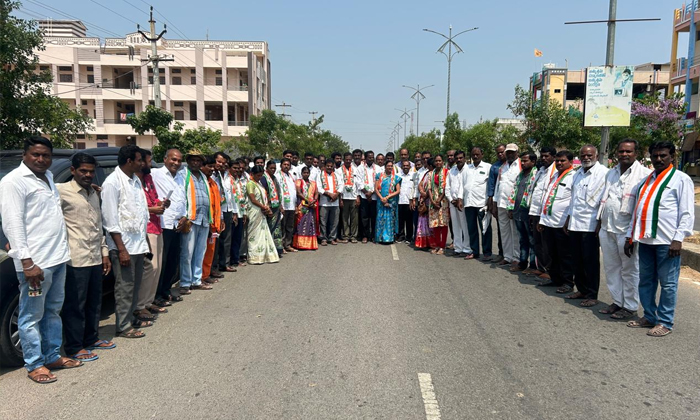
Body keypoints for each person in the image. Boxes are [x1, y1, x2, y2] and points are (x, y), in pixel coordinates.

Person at [0, 137, 79, 383]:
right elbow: (12, 223)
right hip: (35, 264)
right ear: (25, 155)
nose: (41, 159)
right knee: (31, 315)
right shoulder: (13, 182)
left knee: (53, 311)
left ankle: (52, 355)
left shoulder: (48, 178)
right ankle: (34, 363)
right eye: (36, 154)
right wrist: (27, 263)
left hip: (57, 258)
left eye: (46, 155)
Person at [625, 141, 694, 337]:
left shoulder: (681, 179)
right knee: (645, 281)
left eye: (663, 155)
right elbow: (637, 212)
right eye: (655, 156)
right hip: (646, 241)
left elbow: (687, 213)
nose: (658, 159)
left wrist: (678, 239)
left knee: (668, 283)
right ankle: (649, 316)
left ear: (672, 156)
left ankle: (665, 321)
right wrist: (630, 237)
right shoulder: (646, 181)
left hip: (667, 242)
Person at [56, 153, 115, 362]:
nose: (88, 175)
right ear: (73, 171)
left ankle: (91, 338)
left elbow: (98, 227)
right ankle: (74, 347)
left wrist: (105, 253)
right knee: (75, 305)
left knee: (94, 302)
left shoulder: (93, 193)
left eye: (91, 171)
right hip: (75, 258)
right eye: (83, 171)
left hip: (95, 256)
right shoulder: (60, 192)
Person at [597, 140, 651, 320]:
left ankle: (630, 306)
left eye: (628, 151)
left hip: (627, 231)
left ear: (636, 154)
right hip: (607, 227)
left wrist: (633, 235)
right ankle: (617, 302)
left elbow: (643, 206)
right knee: (611, 268)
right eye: (621, 151)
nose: (624, 154)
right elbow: (606, 198)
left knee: (629, 270)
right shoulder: (611, 173)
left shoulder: (644, 174)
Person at [102, 144, 151, 338]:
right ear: (129, 161)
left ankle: (130, 318)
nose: (142, 163)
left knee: (134, 286)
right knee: (124, 287)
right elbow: (110, 220)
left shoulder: (135, 181)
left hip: (138, 244)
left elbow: (141, 213)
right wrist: (121, 249)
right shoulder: (112, 182)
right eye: (139, 160)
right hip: (124, 246)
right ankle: (123, 326)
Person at [563, 145, 608, 307]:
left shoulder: (603, 174)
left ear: (596, 155)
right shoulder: (577, 174)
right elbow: (573, 199)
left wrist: (600, 222)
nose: (586, 157)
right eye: (583, 155)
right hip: (575, 223)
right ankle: (581, 289)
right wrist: (568, 220)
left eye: (589, 155)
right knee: (577, 260)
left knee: (590, 262)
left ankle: (592, 293)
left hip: (590, 225)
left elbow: (605, 200)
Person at [134, 149, 168, 324]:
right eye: (147, 161)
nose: (149, 164)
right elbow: (134, 207)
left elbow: (153, 200)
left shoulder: (148, 179)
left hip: (157, 225)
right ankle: (140, 306)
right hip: (146, 228)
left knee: (158, 267)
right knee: (151, 268)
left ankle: (149, 301)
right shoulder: (133, 181)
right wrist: (153, 209)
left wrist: (161, 204)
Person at [537, 151, 575, 294]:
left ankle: (568, 282)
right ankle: (555, 278)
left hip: (561, 224)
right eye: (557, 161)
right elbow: (547, 197)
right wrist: (542, 219)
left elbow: (573, 201)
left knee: (564, 255)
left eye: (562, 161)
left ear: (570, 162)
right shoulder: (554, 176)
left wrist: (568, 220)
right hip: (548, 221)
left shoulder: (573, 177)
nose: (559, 163)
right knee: (550, 253)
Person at [152, 148, 186, 306]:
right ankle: (156, 295)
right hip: (163, 224)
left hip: (177, 224)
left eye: (179, 161)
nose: (176, 163)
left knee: (173, 261)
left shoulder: (180, 177)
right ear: (165, 159)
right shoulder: (155, 174)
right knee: (162, 262)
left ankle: (166, 290)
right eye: (173, 159)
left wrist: (185, 216)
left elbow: (182, 198)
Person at [179, 149, 214, 295]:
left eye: (198, 160)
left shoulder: (203, 177)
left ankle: (196, 280)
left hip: (204, 218)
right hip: (191, 219)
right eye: (193, 159)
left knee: (200, 251)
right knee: (187, 252)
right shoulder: (183, 175)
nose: (195, 162)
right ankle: (185, 282)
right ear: (188, 161)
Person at [527, 146, 557, 280]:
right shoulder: (541, 171)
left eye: (547, 156)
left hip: (545, 213)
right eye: (542, 156)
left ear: (553, 157)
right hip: (536, 211)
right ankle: (542, 267)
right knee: (537, 242)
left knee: (546, 243)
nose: (544, 158)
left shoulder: (555, 171)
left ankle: (550, 270)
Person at [507, 151, 537, 273]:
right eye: (522, 161)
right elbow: (514, 191)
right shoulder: (520, 175)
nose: (523, 163)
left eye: (526, 161)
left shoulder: (536, 176)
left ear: (533, 162)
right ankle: (522, 262)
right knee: (522, 239)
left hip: (528, 213)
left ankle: (533, 266)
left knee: (531, 240)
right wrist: (510, 208)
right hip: (518, 211)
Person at [246, 165, 281, 264]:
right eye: (258, 175)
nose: (259, 177)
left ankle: (263, 256)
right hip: (254, 210)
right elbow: (253, 199)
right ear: (252, 174)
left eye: (261, 176)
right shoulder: (250, 184)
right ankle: (254, 257)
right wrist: (264, 207)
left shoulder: (259, 184)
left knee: (263, 233)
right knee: (254, 233)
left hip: (262, 210)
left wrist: (266, 207)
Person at [493, 144, 521, 267]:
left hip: (513, 205)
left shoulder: (520, 165)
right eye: (507, 152)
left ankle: (517, 257)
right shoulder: (502, 167)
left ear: (517, 153)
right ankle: (507, 256)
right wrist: (494, 202)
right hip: (501, 202)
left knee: (514, 231)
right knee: (504, 231)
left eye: (512, 152)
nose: (509, 154)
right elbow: (498, 186)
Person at [463, 147, 492, 260]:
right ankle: (474, 251)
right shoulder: (467, 169)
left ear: (482, 154)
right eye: (473, 154)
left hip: (482, 204)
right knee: (472, 229)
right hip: (469, 203)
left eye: (477, 154)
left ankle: (487, 252)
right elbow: (463, 184)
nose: (475, 156)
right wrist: (461, 199)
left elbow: (490, 185)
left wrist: (489, 202)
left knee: (485, 229)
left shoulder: (487, 167)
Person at [201, 155, 224, 283]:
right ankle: (199, 277)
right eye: (209, 166)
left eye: (212, 167)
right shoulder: (201, 182)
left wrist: (220, 219)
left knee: (210, 250)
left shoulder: (213, 183)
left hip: (214, 223)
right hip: (204, 222)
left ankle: (206, 274)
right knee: (201, 251)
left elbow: (218, 203)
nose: (212, 169)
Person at [214, 152, 238, 274]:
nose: (222, 165)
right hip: (217, 211)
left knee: (227, 239)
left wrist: (234, 212)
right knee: (217, 240)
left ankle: (225, 263)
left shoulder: (229, 177)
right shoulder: (213, 176)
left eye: (224, 163)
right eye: (219, 162)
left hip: (228, 210)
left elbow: (232, 196)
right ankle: (215, 266)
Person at [446, 150, 470, 256]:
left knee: (464, 225)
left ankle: (466, 248)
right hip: (452, 202)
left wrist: (460, 199)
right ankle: (458, 247)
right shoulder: (451, 171)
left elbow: (466, 186)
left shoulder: (468, 170)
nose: (459, 160)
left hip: (463, 202)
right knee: (455, 226)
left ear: (464, 158)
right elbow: (447, 187)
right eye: (457, 158)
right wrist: (451, 199)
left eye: (461, 158)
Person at [486, 144, 507, 262]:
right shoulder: (495, 167)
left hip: (511, 202)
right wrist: (491, 203)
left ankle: (514, 256)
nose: (500, 154)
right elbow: (491, 185)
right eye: (498, 153)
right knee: (501, 229)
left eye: (502, 152)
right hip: (498, 201)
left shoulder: (513, 165)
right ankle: (502, 253)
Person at [375, 161, 402, 244]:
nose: (390, 167)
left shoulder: (396, 178)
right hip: (381, 201)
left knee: (389, 219)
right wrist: (382, 198)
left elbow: (398, 191)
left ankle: (389, 238)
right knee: (381, 218)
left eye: (391, 166)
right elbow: (376, 189)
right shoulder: (379, 176)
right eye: (388, 166)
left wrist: (387, 197)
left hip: (391, 202)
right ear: (385, 167)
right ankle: (380, 238)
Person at [428, 155, 450, 254]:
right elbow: (429, 188)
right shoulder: (431, 174)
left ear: (443, 162)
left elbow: (446, 187)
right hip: (433, 200)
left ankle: (442, 246)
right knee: (435, 224)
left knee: (443, 224)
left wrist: (439, 200)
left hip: (443, 201)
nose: (438, 163)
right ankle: (436, 245)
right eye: (436, 161)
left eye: (439, 161)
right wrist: (433, 201)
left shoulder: (446, 172)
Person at [293, 166, 320, 250]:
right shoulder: (299, 181)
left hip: (311, 206)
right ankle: (300, 244)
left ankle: (310, 244)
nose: (306, 174)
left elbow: (316, 193)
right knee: (300, 224)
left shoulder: (313, 183)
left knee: (310, 224)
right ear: (301, 174)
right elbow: (298, 192)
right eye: (304, 173)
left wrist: (314, 200)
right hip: (302, 205)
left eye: (307, 173)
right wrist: (307, 200)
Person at [261, 160, 284, 255]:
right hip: (268, 208)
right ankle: (268, 249)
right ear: (267, 168)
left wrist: (280, 205)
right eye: (271, 168)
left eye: (274, 168)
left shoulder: (274, 178)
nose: (273, 170)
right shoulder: (263, 178)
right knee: (269, 229)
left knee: (277, 229)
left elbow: (278, 192)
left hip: (276, 207)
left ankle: (277, 249)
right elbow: (264, 193)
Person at [337, 152, 360, 243]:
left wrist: (358, 197)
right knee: (345, 217)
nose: (348, 161)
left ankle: (354, 236)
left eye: (349, 160)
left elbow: (358, 184)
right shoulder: (338, 170)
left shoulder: (355, 169)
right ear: (343, 159)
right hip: (344, 197)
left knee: (354, 218)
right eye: (346, 159)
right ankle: (346, 235)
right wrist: (340, 198)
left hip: (353, 197)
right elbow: (338, 185)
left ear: (352, 160)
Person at [277, 158, 298, 253]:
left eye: (288, 165)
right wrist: (280, 206)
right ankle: (281, 246)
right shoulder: (277, 176)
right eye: (284, 164)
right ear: (281, 165)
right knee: (282, 226)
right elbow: (277, 191)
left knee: (290, 226)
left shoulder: (291, 176)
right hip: (283, 205)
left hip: (291, 205)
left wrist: (296, 204)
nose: (286, 166)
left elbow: (294, 191)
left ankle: (288, 244)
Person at [230, 159, 249, 267]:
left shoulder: (241, 181)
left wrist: (245, 212)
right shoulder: (229, 180)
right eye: (236, 168)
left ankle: (236, 259)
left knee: (238, 237)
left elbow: (244, 198)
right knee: (231, 238)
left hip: (241, 212)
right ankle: (229, 260)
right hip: (233, 213)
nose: (238, 170)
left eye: (240, 168)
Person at [318, 160, 341, 245]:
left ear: (333, 166)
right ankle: (323, 238)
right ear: (324, 166)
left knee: (334, 221)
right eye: (328, 166)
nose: (329, 167)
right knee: (323, 221)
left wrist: (336, 195)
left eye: (331, 166)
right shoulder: (320, 175)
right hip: (324, 202)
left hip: (335, 202)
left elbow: (341, 186)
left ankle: (332, 238)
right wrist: (329, 194)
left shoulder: (337, 176)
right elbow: (319, 188)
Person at [358, 150, 379, 243]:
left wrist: (372, 192)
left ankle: (373, 235)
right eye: (369, 157)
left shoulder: (378, 168)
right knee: (364, 217)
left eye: (372, 157)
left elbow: (379, 183)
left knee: (374, 217)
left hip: (375, 196)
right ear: (365, 158)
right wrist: (367, 193)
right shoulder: (360, 168)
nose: (371, 159)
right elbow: (358, 182)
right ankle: (365, 236)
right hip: (364, 196)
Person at [414, 159, 434, 249]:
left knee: (432, 223)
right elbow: (420, 184)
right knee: (423, 222)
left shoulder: (435, 174)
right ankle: (424, 243)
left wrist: (426, 195)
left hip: (432, 201)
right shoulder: (426, 174)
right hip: (424, 201)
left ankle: (432, 243)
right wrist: (422, 191)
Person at [397, 160, 415, 243]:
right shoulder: (398, 176)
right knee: (400, 220)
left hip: (409, 201)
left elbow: (414, 188)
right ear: (401, 167)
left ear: (410, 167)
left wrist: (413, 200)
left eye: (407, 166)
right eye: (404, 166)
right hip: (400, 201)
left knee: (409, 220)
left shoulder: (413, 175)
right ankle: (401, 236)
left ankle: (409, 237)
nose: (405, 167)